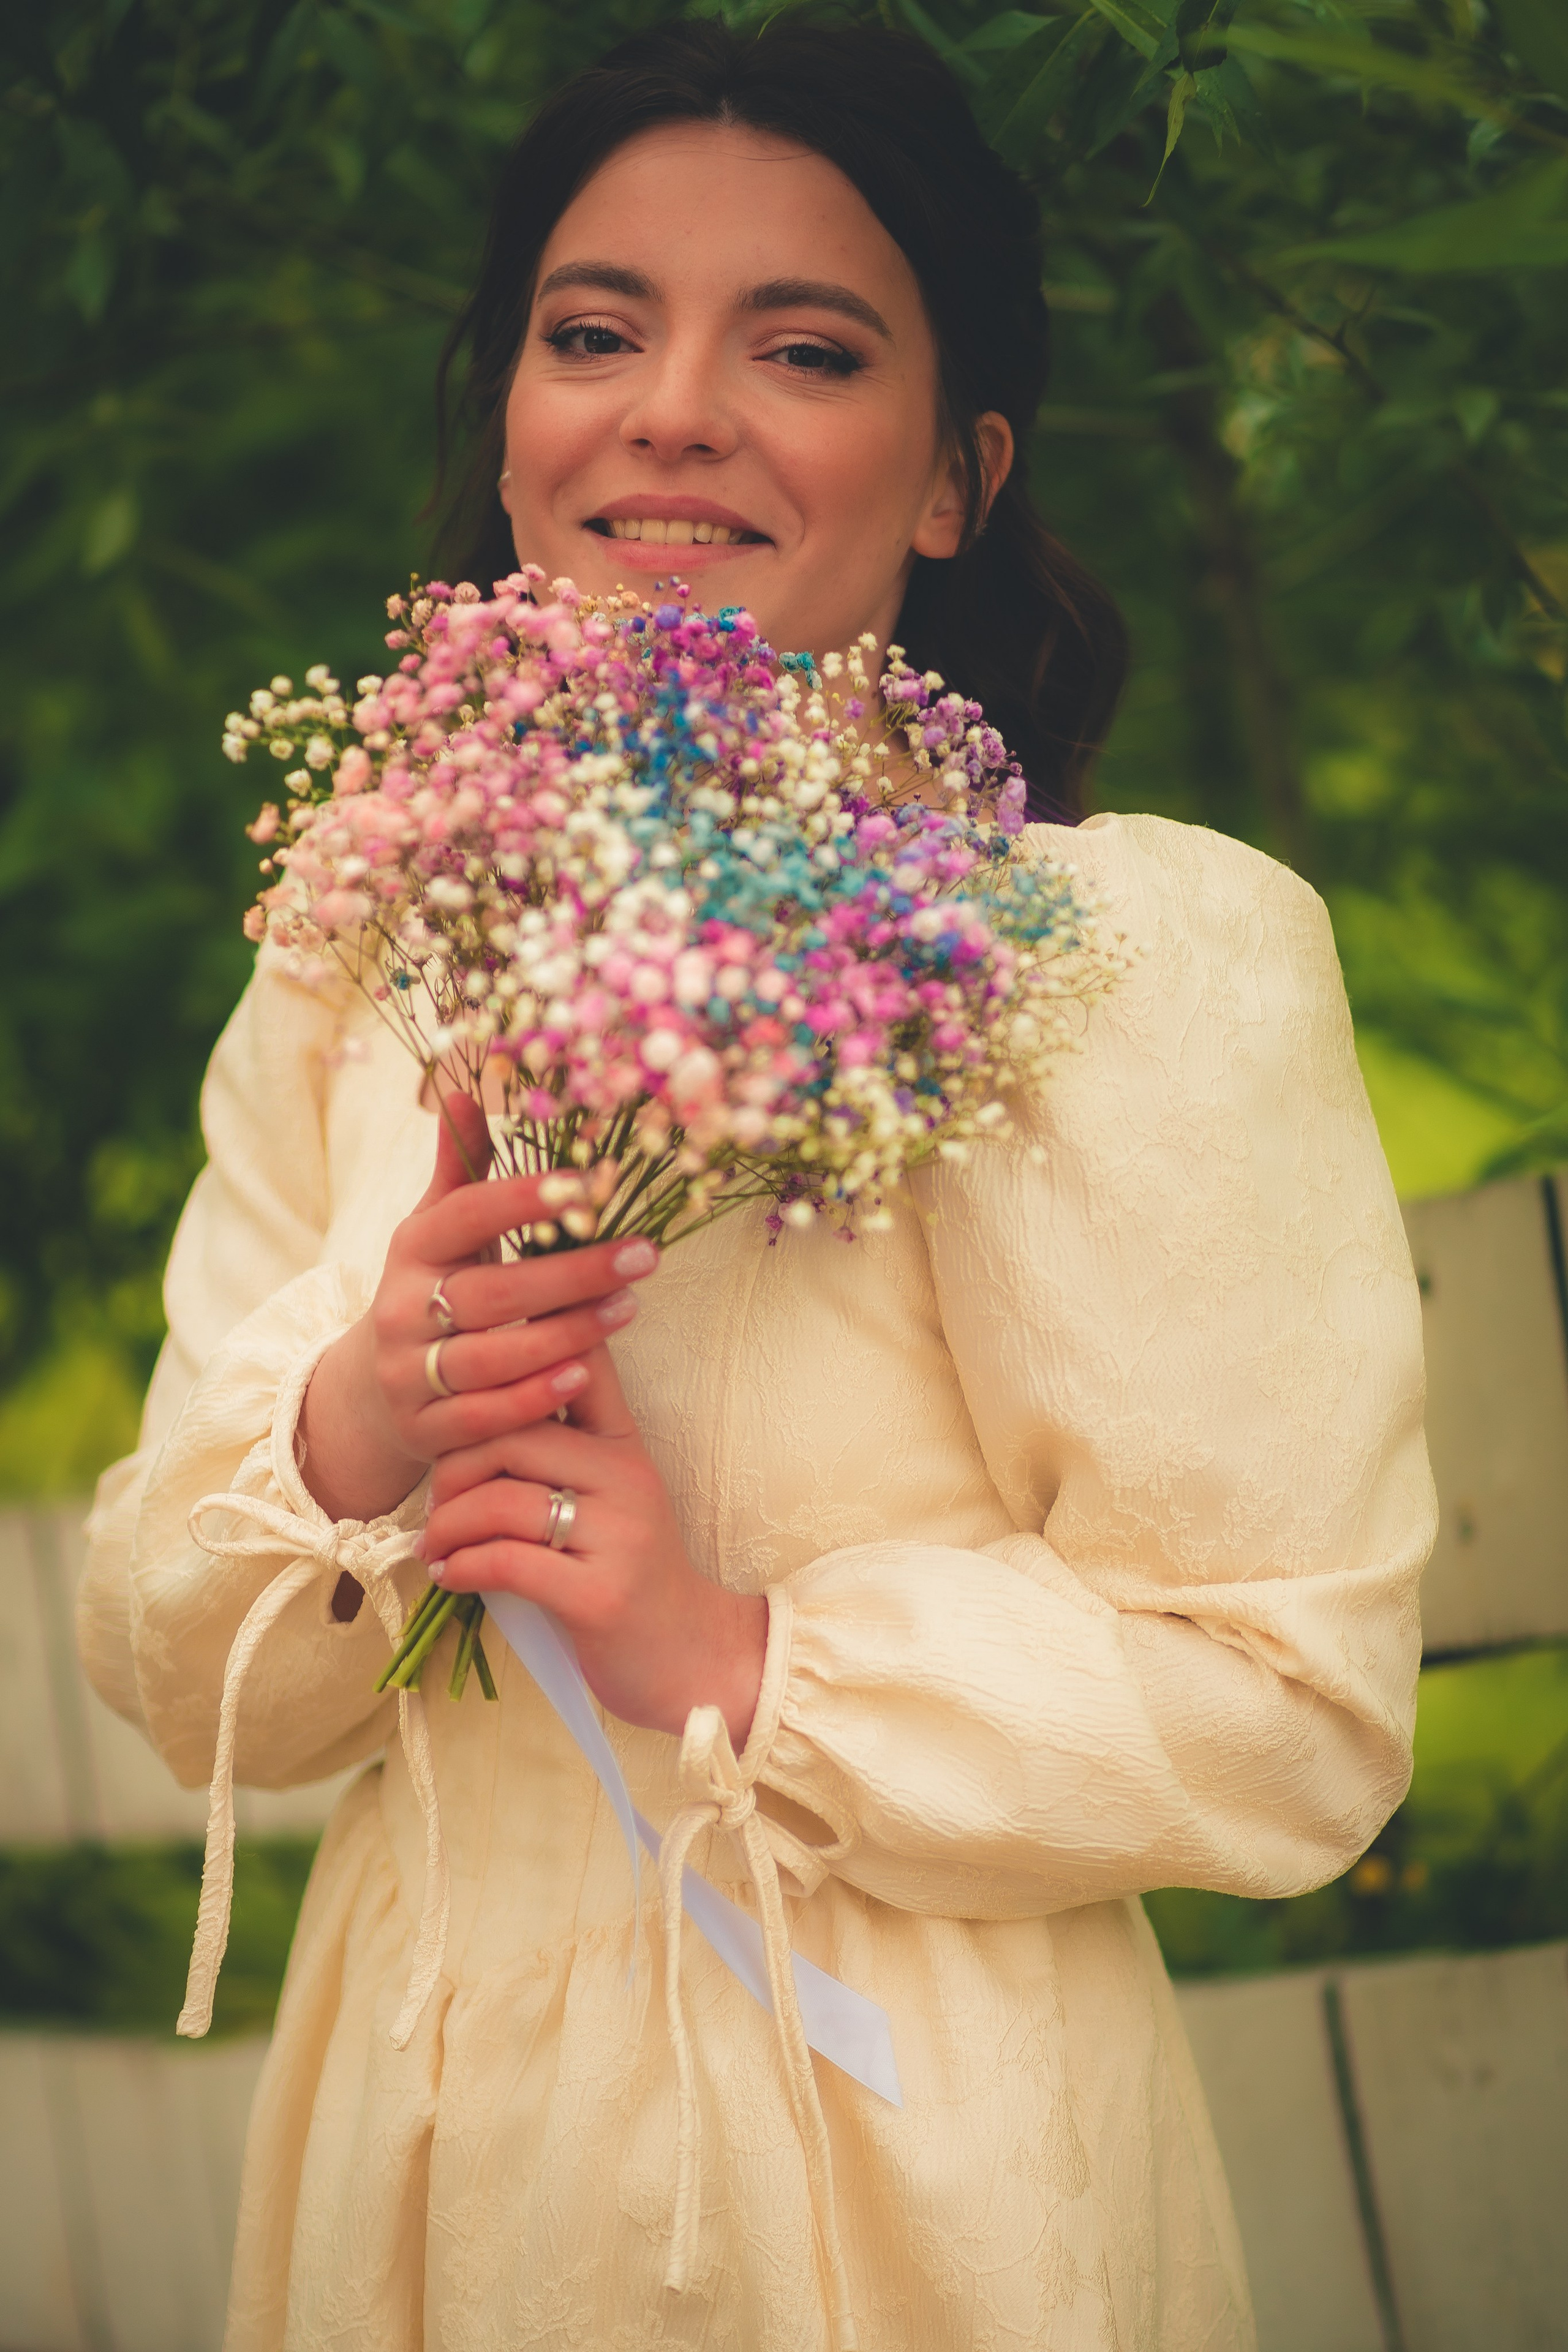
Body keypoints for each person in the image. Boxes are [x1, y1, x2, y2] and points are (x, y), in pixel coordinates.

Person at [77, 20, 1436, 2351]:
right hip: (411, 2172)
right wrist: (359, 1428)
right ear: (508, 414)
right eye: (593, 331)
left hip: (890, 2199)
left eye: (804, 348)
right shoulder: (363, 945)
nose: (670, 407)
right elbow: (170, 1663)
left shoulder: (1105, 957)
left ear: (953, 476)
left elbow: (1296, 1702)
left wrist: (741, 1662)